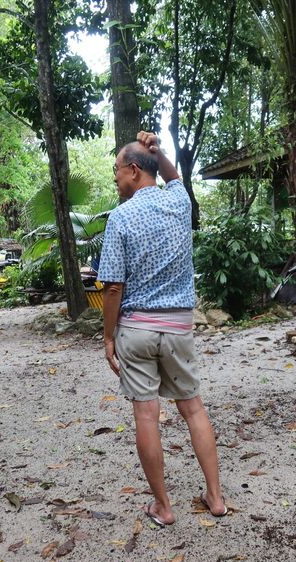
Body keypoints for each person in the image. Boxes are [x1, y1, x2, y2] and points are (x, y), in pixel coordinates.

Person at [98, 131, 227, 525]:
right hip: (177, 327)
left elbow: (113, 287)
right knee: (193, 408)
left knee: (146, 415)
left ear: (134, 170)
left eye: (117, 170)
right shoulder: (179, 202)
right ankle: (215, 497)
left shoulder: (120, 217)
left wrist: (108, 336)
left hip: (137, 329)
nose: (115, 177)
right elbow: (173, 178)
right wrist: (160, 151)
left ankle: (163, 506)